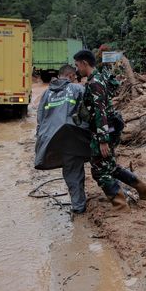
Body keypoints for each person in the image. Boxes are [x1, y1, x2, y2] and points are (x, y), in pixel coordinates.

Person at [73, 49, 146, 211]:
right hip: (110, 129)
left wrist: (103, 140)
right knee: (109, 166)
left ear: (84, 63)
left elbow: (100, 111)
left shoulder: (95, 83)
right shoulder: (99, 78)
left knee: (99, 171)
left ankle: (120, 204)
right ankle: (142, 187)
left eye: (77, 65)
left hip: (104, 131)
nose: (77, 69)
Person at [34, 64, 91, 213]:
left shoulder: (46, 93)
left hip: (53, 139)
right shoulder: (77, 89)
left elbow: (40, 118)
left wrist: (40, 140)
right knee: (87, 166)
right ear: (71, 76)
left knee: (70, 169)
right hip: (72, 135)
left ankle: (78, 205)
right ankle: (82, 206)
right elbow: (89, 111)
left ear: (60, 76)